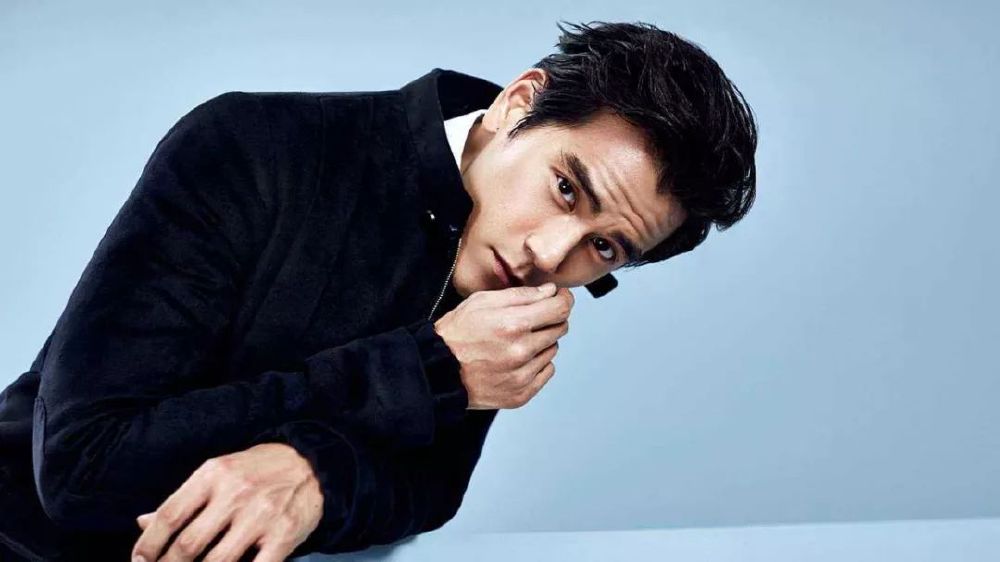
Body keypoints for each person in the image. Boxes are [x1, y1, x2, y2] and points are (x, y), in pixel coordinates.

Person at [0, 20, 757, 561]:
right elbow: (83, 469)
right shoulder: (250, 144)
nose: (550, 256)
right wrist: (432, 367)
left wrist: (313, 471)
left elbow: (429, 486)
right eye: (565, 188)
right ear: (517, 103)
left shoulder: (510, 272)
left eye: (605, 247)